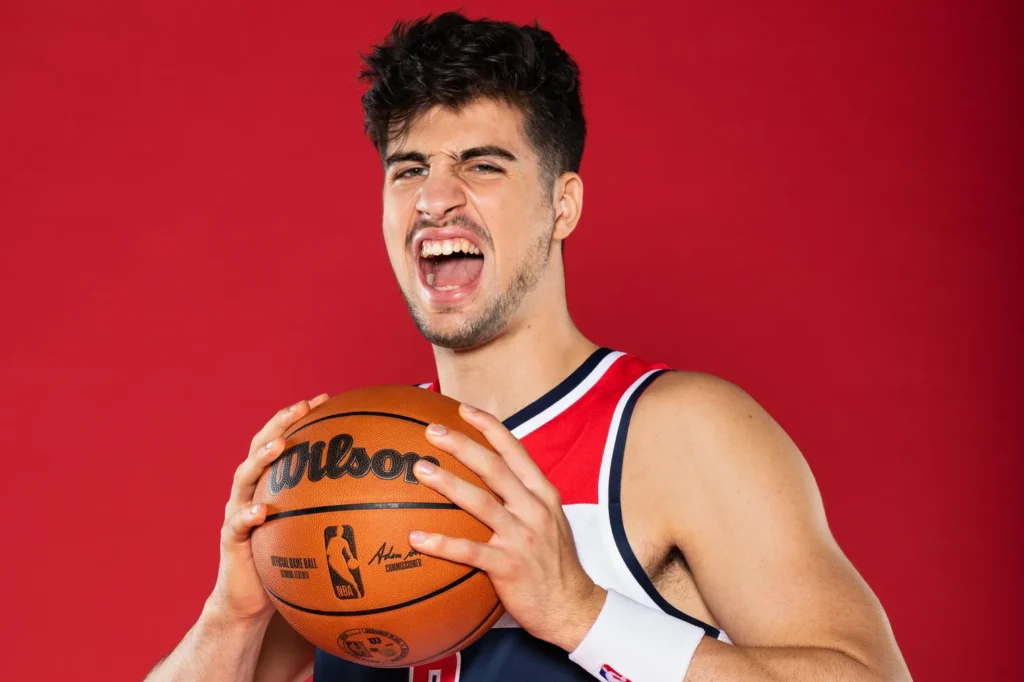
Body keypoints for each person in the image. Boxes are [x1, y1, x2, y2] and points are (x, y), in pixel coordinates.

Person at [146, 12, 910, 682]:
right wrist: (231, 619)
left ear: (562, 205)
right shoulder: (344, 463)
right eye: (408, 169)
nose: (434, 198)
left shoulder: (677, 434)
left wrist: (582, 614)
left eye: (481, 165)